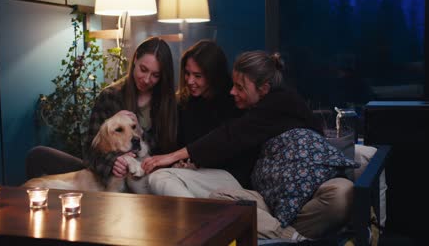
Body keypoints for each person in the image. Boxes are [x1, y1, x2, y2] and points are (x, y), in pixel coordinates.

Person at [141, 51, 358, 240]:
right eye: (187, 74)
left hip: (304, 192)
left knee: (342, 194)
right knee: (220, 203)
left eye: (240, 87)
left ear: (263, 89)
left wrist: (170, 157)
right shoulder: (229, 106)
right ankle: (293, 238)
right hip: (268, 197)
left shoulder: (280, 103)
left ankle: (284, 235)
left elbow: (230, 135)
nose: (233, 92)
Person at [26, 37, 178, 188]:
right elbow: (90, 151)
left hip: (145, 175)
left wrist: (140, 131)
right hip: (108, 175)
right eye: (143, 70)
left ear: (163, 76)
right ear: (135, 59)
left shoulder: (169, 104)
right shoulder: (110, 96)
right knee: (38, 156)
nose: (146, 79)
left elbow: (168, 151)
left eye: (155, 75)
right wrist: (113, 163)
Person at [113, 40, 244, 196]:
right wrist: (179, 164)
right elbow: (171, 146)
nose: (189, 81)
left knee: (160, 178)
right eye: (187, 73)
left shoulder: (233, 101)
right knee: (145, 179)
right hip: (190, 174)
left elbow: (222, 144)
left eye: (198, 76)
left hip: (227, 175)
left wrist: (193, 162)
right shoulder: (184, 103)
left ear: (213, 76)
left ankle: (193, 219)